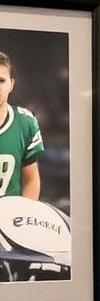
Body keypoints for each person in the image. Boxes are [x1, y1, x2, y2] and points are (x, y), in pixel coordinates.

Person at [0, 50, 44, 199]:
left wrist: (24, 216)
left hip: (9, 218)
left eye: (1, 80)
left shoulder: (25, 123)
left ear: (11, 84)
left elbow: (30, 179)